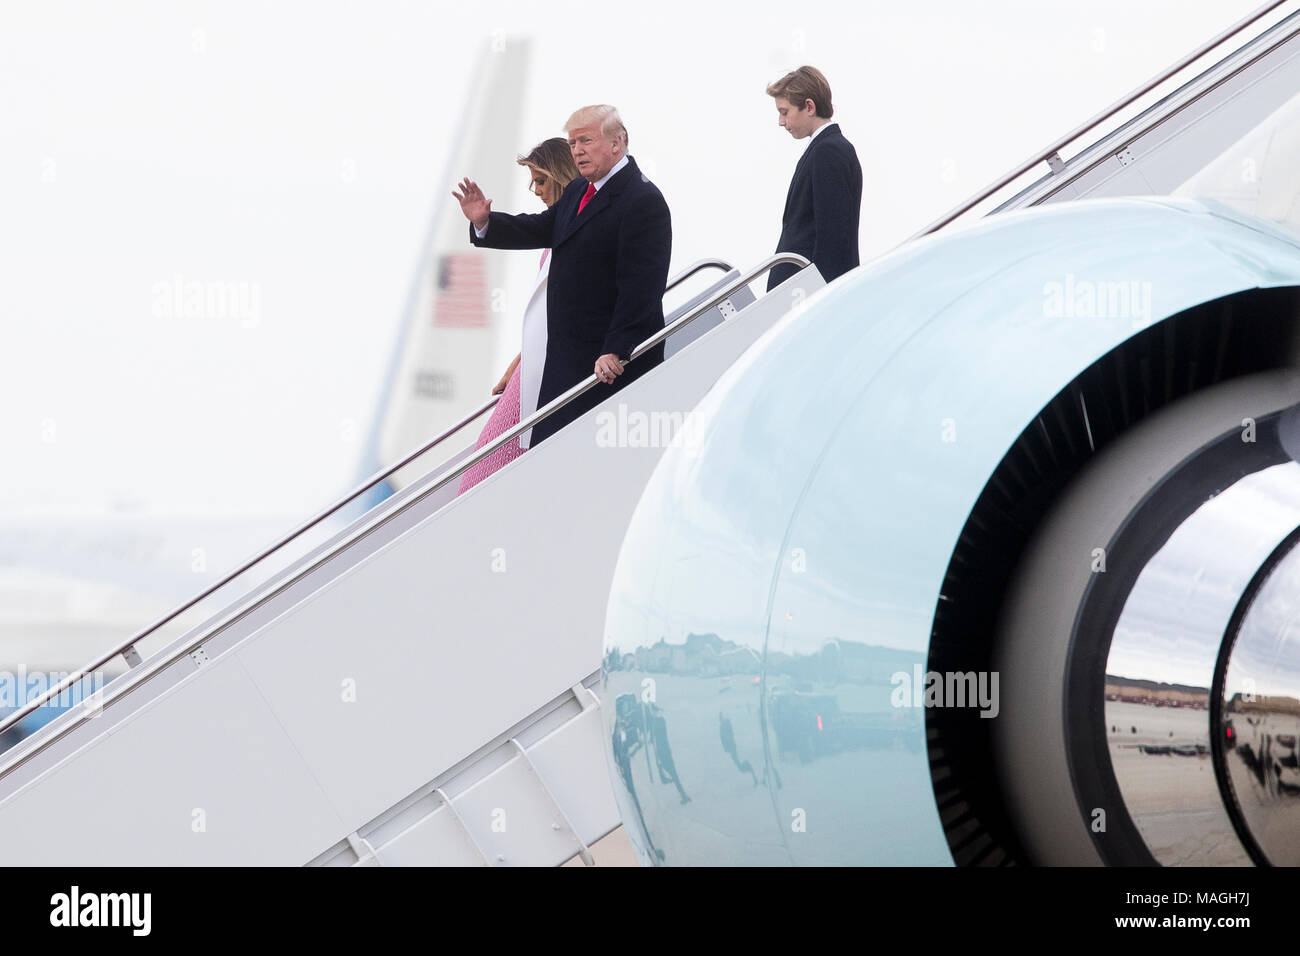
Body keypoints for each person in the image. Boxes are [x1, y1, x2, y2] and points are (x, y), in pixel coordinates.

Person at [453, 104, 672, 447]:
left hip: (607, 367)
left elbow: (642, 287)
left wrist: (617, 349)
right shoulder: (576, 191)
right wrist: (486, 222)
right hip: (565, 361)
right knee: (548, 461)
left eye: (585, 140)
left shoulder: (642, 200)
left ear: (618, 142)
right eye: (572, 144)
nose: (577, 151)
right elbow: (539, 227)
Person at [457, 138, 579, 495]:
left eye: (541, 180)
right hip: (537, 365)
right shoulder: (560, 229)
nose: (535, 190)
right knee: (484, 465)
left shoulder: (577, 229)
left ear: (561, 175)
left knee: (487, 471)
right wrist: (522, 358)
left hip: (557, 369)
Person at [764, 66, 863, 291]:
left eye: (785, 111)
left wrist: (821, 297)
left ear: (809, 106)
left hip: (809, 295)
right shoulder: (825, 148)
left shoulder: (828, 151)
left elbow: (833, 237)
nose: (781, 121)